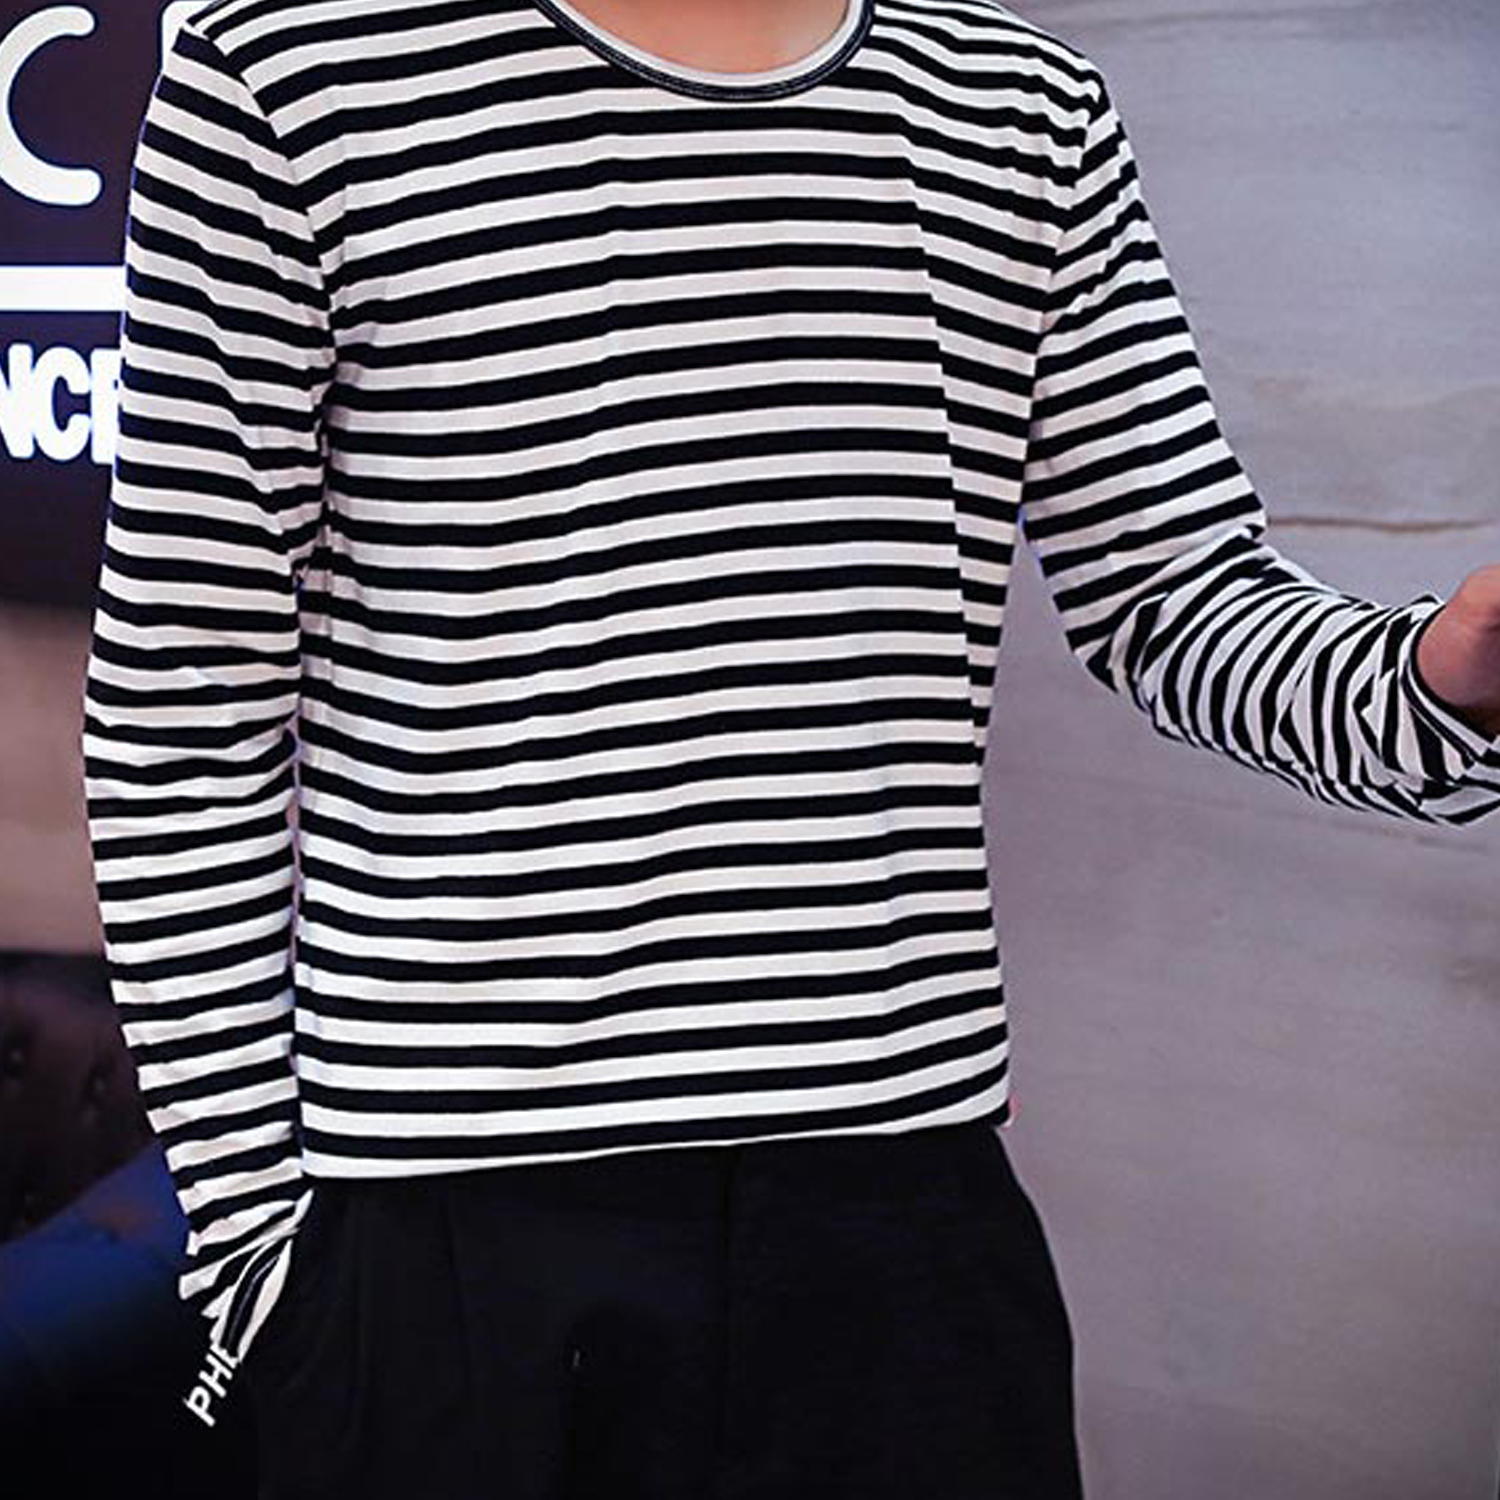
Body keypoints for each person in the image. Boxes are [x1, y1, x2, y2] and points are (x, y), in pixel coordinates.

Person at [80, 0, 1500, 1495]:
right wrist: (262, 1255)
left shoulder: (1017, 102)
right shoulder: (292, 69)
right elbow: (183, 705)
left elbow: (1174, 593)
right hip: (451, 1229)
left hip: (903, 1211)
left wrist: (1440, 683)